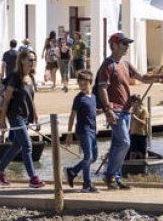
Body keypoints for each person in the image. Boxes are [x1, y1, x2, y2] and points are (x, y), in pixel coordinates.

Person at [0, 50, 44, 188]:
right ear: (22, 60)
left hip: (26, 116)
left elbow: (31, 100)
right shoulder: (15, 77)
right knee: (27, 145)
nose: (33, 62)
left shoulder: (30, 78)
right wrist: (2, 121)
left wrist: (37, 117)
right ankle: (33, 178)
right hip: (15, 115)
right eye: (30, 59)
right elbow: (7, 100)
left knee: (18, 145)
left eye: (34, 59)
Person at [95, 33, 140, 190]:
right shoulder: (108, 65)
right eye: (124, 44)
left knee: (117, 144)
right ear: (114, 45)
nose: (127, 47)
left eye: (128, 44)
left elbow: (142, 77)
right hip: (115, 111)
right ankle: (110, 175)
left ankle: (115, 177)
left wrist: (158, 76)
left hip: (126, 111)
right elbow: (102, 88)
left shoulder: (125, 65)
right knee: (124, 143)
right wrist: (108, 110)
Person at [63, 71, 99, 192]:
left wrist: (107, 110)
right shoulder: (79, 98)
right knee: (88, 156)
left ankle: (73, 171)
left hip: (93, 131)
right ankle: (87, 183)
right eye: (80, 84)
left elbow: (93, 112)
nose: (82, 86)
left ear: (90, 83)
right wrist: (69, 134)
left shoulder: (93, 97)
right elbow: (72, 116)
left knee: (93, 157)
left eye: (85, 84)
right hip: (83, 131)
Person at [128, 95, 149, 159]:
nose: (131, 104)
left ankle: (144, 162)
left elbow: (145, 123)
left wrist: (135, 118)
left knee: (142, 152)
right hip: (133, 133)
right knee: (133, 151)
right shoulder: (132, 110)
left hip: (141, 134)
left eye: (132, 102)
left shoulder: (143, 110)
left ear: (136, 102)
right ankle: (131, 164)